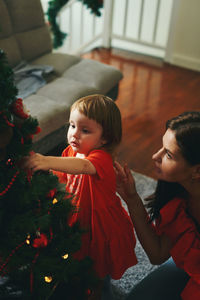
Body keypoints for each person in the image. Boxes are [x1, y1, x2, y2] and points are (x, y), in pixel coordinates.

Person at [25, 94, 137, 299]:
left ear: (105, 138)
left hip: (99, 223)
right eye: (72, 125)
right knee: (77, 260)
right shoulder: (72, 151)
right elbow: (63, 175)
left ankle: (101, 293)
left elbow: (83, 167)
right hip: (78, 214)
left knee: (96, 269)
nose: (74, 134)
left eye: (85, 130)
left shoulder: (101, 157)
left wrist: (46, 160)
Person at [114, 111, 200, 300]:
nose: (155, 156)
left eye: (168, 154)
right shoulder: (178, 197)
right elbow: (158, 253)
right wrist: (131, 198)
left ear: (197, 170)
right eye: (162, 147)